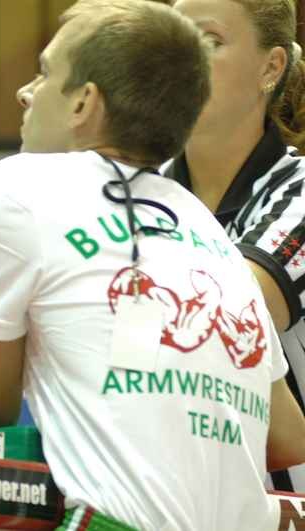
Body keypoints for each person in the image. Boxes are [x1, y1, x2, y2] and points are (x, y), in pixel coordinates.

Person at [0, 1, 305, 529]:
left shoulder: (9, 191)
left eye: (46, 73)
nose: (25, 92)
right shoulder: (202, 224)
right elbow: (285, 433)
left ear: (85, 104)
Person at [164, 0, 305, 492]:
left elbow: (219, 318)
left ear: (271, 66)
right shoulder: (135, 190)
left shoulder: (299, 191)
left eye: (209, 40)